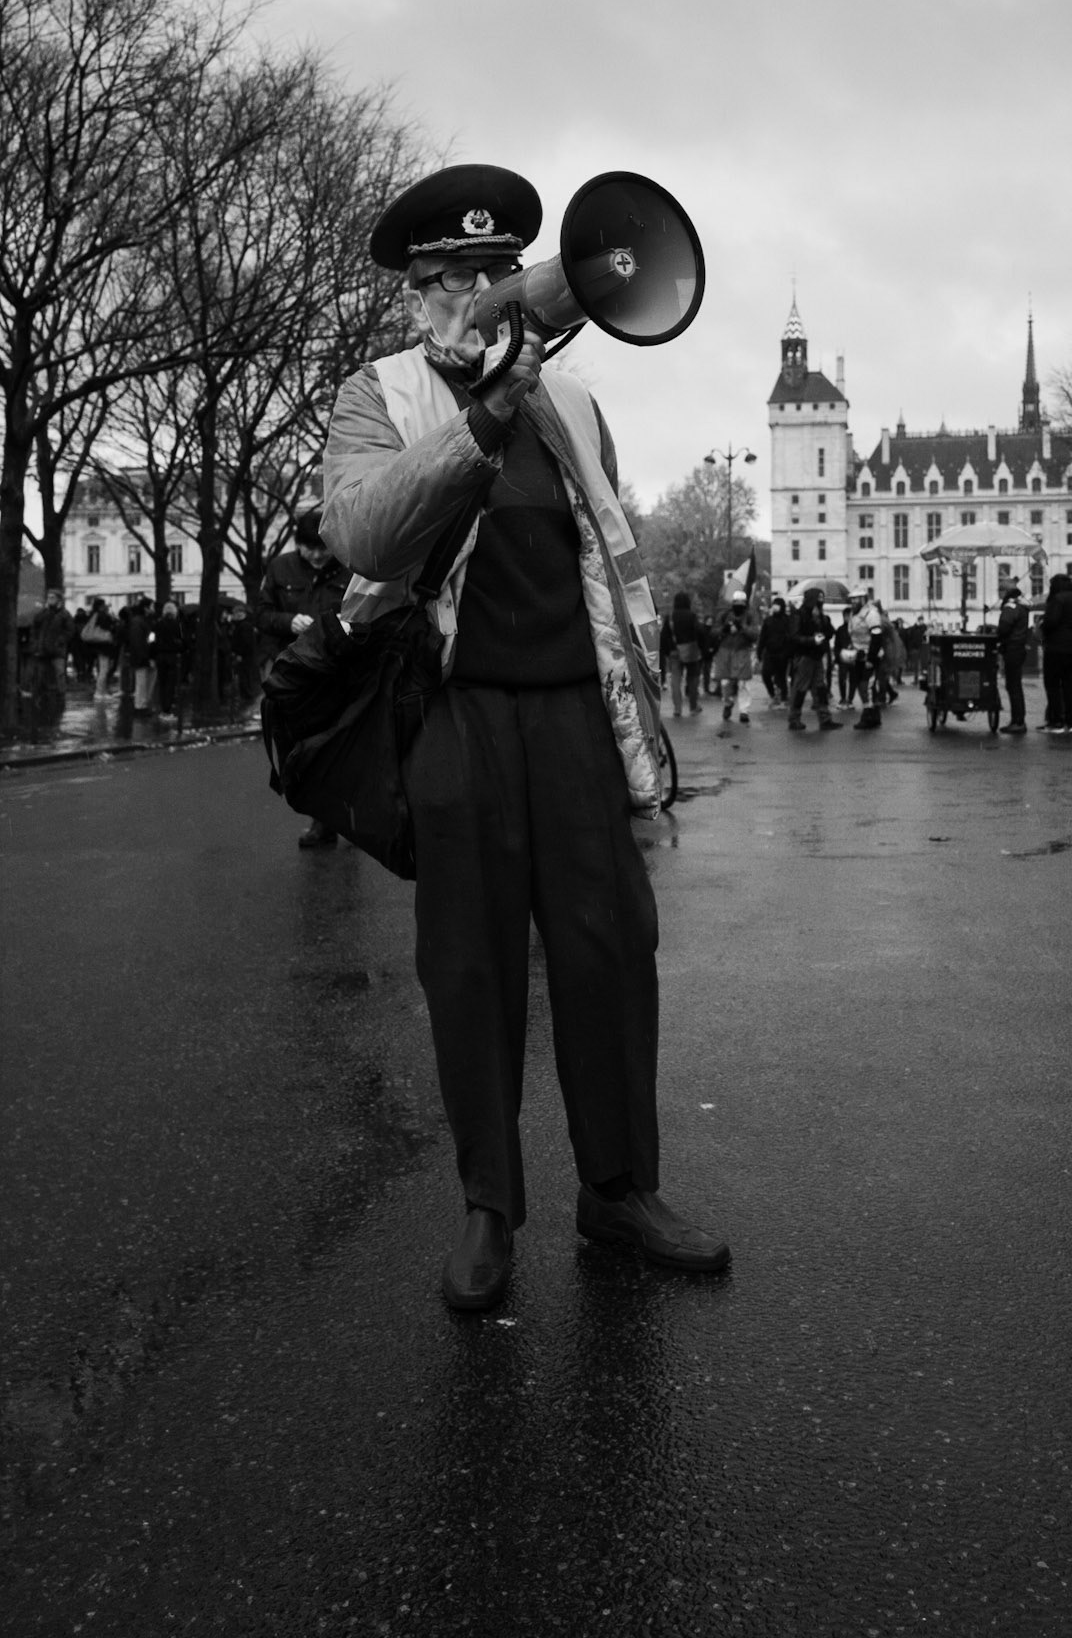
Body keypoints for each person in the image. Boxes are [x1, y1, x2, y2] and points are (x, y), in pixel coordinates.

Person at [321, 161, 728, 1312]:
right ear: (420, 289)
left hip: (569, 718)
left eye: (507, 269)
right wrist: (482, 419)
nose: (494, 291)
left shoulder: (581, 405)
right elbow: (363, 531)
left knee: (608, 950)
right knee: (472, 961)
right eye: (464, 274)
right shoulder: (379, 392)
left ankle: (618, 1186)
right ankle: (489, 1207)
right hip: (456, 710)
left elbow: (609, 564)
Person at [257, 509, 351, 846]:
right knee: (302, 750)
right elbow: (263, 614)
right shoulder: (280, 567)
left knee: (336, 748)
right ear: (298, 545)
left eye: (322, 549)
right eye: (309, 549)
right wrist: (287, 622)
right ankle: (324, 817)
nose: (316, 556)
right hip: (295, 674)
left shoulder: (350, 564)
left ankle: (335, 819)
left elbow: (368, 613)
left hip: (337, 671)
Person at [1039, 573, 1072, 736]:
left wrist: (1043, 627)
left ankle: (1057, 720)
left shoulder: (1057, 600)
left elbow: (1051, 622)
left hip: (1057, 647)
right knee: (1070, 685)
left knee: (1053, 685)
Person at [787, 586, 843, 731]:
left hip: (816, 656)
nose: (821, 602)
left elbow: (830, 631)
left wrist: (824, 626)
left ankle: (824, 719)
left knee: (820, 688)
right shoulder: (799, 615)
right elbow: (794, 637)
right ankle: (794, 719)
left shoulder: (820, 616)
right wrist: (812, 640)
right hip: (805, 656)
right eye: (818, 599)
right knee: (800, 689)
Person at [712, 589, 758, 725]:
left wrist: (742, 627)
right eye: (736, 602)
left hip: (742, 651)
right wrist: (724, 629)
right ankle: (728, 703)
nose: (739, 604)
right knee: (725, 682)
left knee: (743, 683)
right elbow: (714, 632)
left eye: (741, 602)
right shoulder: (724, 615)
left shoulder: (750, 616)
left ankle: (744, 710)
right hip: (725, 651)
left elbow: (755, 634)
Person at [845, 587, 885, 729]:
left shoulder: (871, 613)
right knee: (862, 685)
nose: (854, 601)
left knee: (866, 686)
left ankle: (868, 715)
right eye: (852, 599)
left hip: (870, 655)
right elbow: (853, 634)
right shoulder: (854, 614)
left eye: (857, 598)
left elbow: (877, 637)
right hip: (858, 655)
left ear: (863, 599)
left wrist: (871, 658)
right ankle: (874, 714)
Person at [659, 591, 704, 717]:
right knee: (693, 679)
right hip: (691, 652)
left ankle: (677, 709)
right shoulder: (692, 616)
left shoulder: (671, 617)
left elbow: (664, 636)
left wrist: (667, 651)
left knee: (675, 681)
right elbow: (700, 631)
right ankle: (693, 707)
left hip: (674, 652)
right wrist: (702, 648)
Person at [995, 581, 1030, 732]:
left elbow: (1004, 627)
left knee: (1013, 685)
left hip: (1012, 648)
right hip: (1019, 647)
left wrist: (998, 637)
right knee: (1016, 685)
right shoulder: (1022, 606)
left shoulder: (1010, 607)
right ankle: (1018, 719)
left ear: (1004, 592)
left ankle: (1018, 721)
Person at [31, 589, 75, 700]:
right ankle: (41, 695)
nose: (49, 600)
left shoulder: (64, 614)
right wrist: (36, 642)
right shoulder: (44, 613)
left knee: (59, 673)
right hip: (43, 649)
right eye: (48, 597)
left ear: (59, 600)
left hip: (57, 650)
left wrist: (60, 641)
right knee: (41, 674)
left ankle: (61, 696)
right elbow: (35, 624)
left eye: (52, 598)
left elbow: (70, 631)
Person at [81, 597, 118, 698]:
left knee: (102, 669)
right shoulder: (102, 616)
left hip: (98, 647)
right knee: (104, 670)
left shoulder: (94, 615)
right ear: (101, 606)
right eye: (103, 604)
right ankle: (100, 691)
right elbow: (109, 627)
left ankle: (102, 691)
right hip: (104, 647)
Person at [758, 595, 792, 704]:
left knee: (781, 677)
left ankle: (783, 697)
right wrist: (759, 651)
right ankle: (772, 693)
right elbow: (762, 637)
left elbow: (791, 637)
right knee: (765, 674)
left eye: (777, 604)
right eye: (774, 604)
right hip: (769, 653)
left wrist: (788, 652)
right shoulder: (768, 621)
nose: (775, 607)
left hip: (783, 654)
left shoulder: (787, 620)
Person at [154, 601, 184, 720]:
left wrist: (153, 654)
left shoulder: (157, 624)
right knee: (170, 684)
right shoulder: (177, 625)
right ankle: (167, 709)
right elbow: (182, 641)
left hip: (160, 656)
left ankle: (163, 708)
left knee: (162, 683)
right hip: (172, 656)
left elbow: (151, 640)